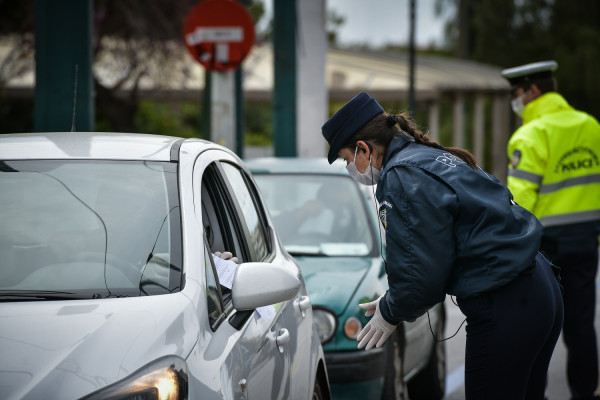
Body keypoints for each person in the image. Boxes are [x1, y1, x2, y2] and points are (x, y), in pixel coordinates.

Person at [321, 91, 564, 400]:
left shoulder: (401, 176)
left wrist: (390, 310)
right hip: (537, 290)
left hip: (508, 302)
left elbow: (420, 277)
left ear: (363, 149)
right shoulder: (428, 156)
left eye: (346, 159)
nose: (349, 168)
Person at [501, 60, 600, 400]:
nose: (515, 101)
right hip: (587, 243)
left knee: (534, 332)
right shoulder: (591, 126)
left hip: (544, 251)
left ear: (533, 91)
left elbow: (520, 205)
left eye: (517, 93)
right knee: (581, 327)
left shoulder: (529, 135)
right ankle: (585, 394)